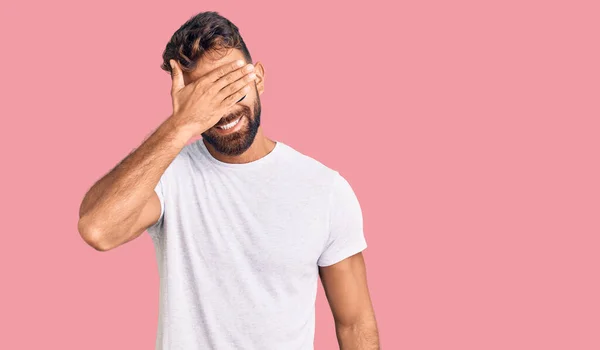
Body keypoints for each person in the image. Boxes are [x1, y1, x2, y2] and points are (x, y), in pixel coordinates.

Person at [78, 11, 380, 350]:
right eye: (204, 97)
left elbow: (355, 325)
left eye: (230, 86)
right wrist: (179, 126)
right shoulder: (167, 177)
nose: (223, 109)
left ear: (259, 78)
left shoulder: (325, 190)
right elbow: (98, 229)